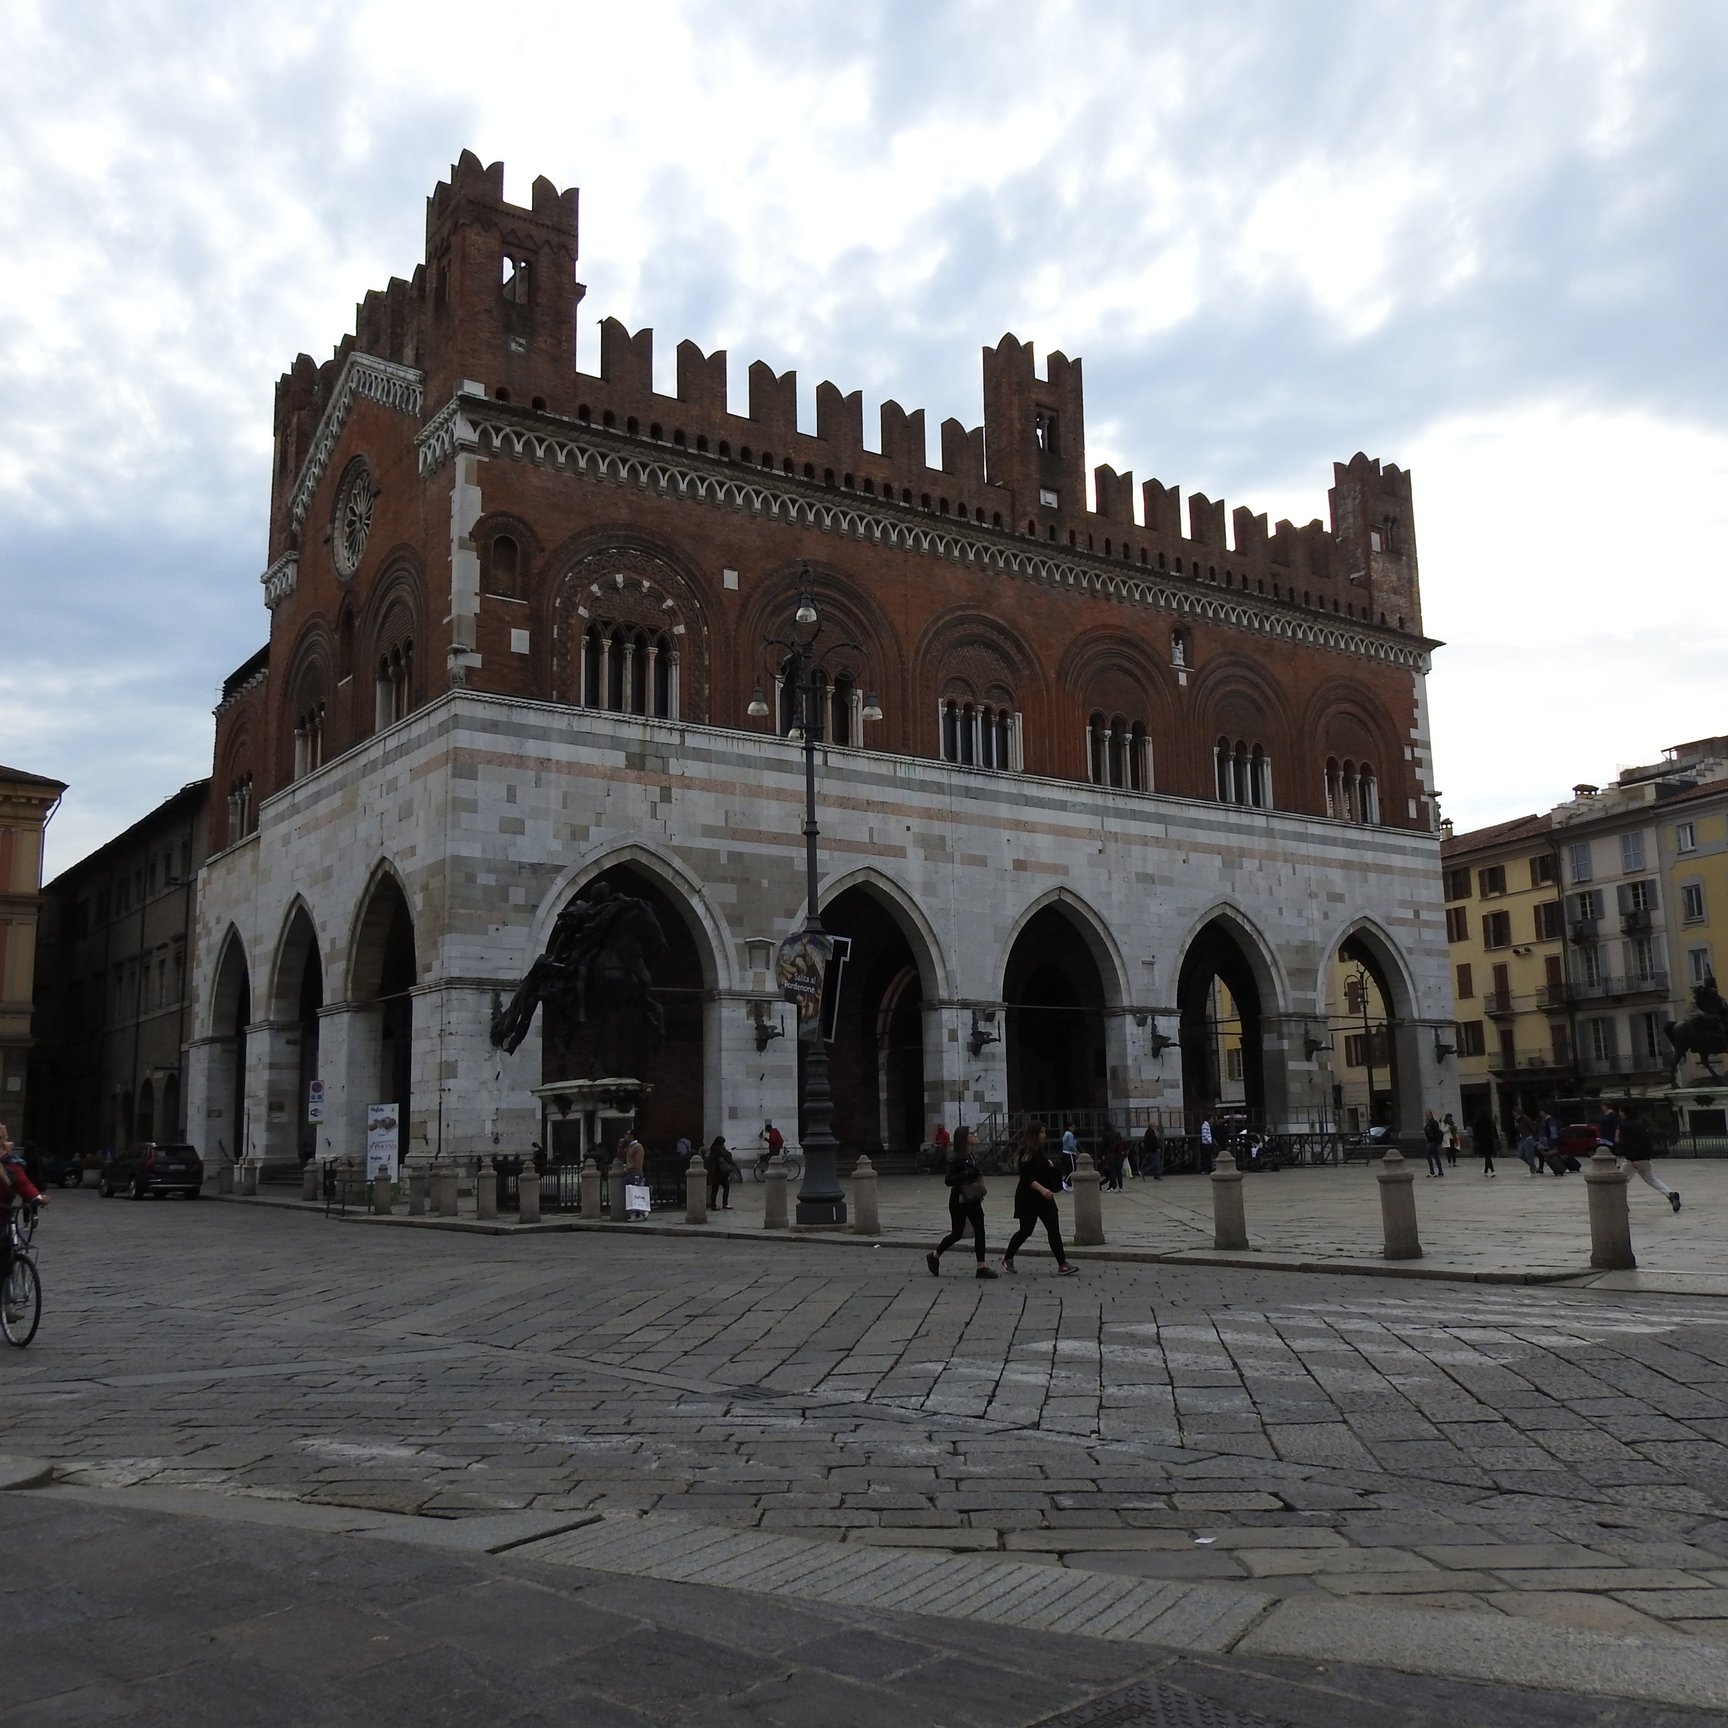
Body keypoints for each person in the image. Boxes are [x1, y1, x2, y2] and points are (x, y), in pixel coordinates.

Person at [1002, 1122, 1076, 1276]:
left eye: (1044, 1132)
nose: (1044, 1135)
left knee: (1053, 1229)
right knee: (1026, 1230)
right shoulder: (1025, 1152)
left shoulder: (1040, 1151)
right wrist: (1042, 1189)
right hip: (1029, 1197)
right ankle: (1008, 1258)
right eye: (1041, 1132)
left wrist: (1051, 1166)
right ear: (1034, 1134)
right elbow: (1026, 1177)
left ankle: (1062, 1264)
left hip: (1044, 1198)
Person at [926, 1125, 997, 1280]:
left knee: (980, 1231)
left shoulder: (971, 1155)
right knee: (957, 1234)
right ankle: (934, 1255)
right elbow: (948, 1180)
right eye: (971, 1133)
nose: (975, 1135)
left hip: (973, 1199)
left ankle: (981, 1267)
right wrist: (967, 1174)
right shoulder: (956, 1158)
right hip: (959, 1200)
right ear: (964, 1138)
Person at [0, 1126, 46, 1299]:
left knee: (5, 1255)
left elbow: (23, 1183)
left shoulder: (10, 1163)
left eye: (1, 1137)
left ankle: (5, 1301)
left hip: (4, 1214)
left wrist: (37, 1197)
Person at [1617, 1107, 1681, 1212]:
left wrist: (1631, 1158)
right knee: (1651, 1179)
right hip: (1644, 1158)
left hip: (1632, 1159)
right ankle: (1670, 1193)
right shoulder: (1640, 1125)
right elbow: (1646, 1141)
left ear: (1624, 1113)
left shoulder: (1625, 1126)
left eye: (1620, 1111)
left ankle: (1622, 1204)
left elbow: (1627, 1143)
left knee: (1621, 1181)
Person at [705, 1135, 736, 1210]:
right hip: (721, 1173)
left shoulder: (712, 1150)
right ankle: (725, 1204)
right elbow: (728, 1158)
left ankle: (713, 1205)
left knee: (714, 1190)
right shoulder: (720, 1150)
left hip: (714, 1173)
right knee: (726, 1187)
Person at [1472, 1109, 1499, 1177]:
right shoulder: (1490, 1120)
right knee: (1487, 1155)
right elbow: (1494, 1130)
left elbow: (1476, 1130)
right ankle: (1486, 1171)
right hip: (1490, 1140)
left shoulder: (1478, 1120)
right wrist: (1496, 1138)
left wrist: (1475, 1139)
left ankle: (1492, 1171)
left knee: (1487, 1155)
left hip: (1482, 1140)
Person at [1513, 1109, 1538, 1177]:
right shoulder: (1517, 1120)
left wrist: (1534, 1136)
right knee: (1520, 1155)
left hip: (1528, 1138)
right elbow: (1518, 1129)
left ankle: (1532, 1171)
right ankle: (1533, 1166)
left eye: (1515, 1113)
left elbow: (1532, 1126)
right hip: (1522, 1138)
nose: (1514, 1114)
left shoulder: (1525, 1118)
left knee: (1529, 1155)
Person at [1422, 1110, 1445, 1177]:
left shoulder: (1434, 1122)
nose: (1425, 1114)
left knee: (1428, 1155)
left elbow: (1436, 1132)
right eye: (1425, 1113)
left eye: (1427, 1113)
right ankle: (1440, 1171)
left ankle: (1432, 1171)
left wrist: (1436, 1140)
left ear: (1430, 1114)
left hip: (1433, 1141)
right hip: (1430, 1141)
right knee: (1435, 1156)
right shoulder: (1427, 1123)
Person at [1059, 1123, 1078, 1191]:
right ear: (1069, 1127)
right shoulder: (1070, 1134)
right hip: (1069, 1153)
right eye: (1073, 1127)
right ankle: (1065, 1181)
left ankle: (1069, 1184)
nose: (1074, 1128)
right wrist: (1076, 1151)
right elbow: (1071, 1145)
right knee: (1072, 1169)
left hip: (1065, 1153)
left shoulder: (1065, 1134)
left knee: (1069, 1169)